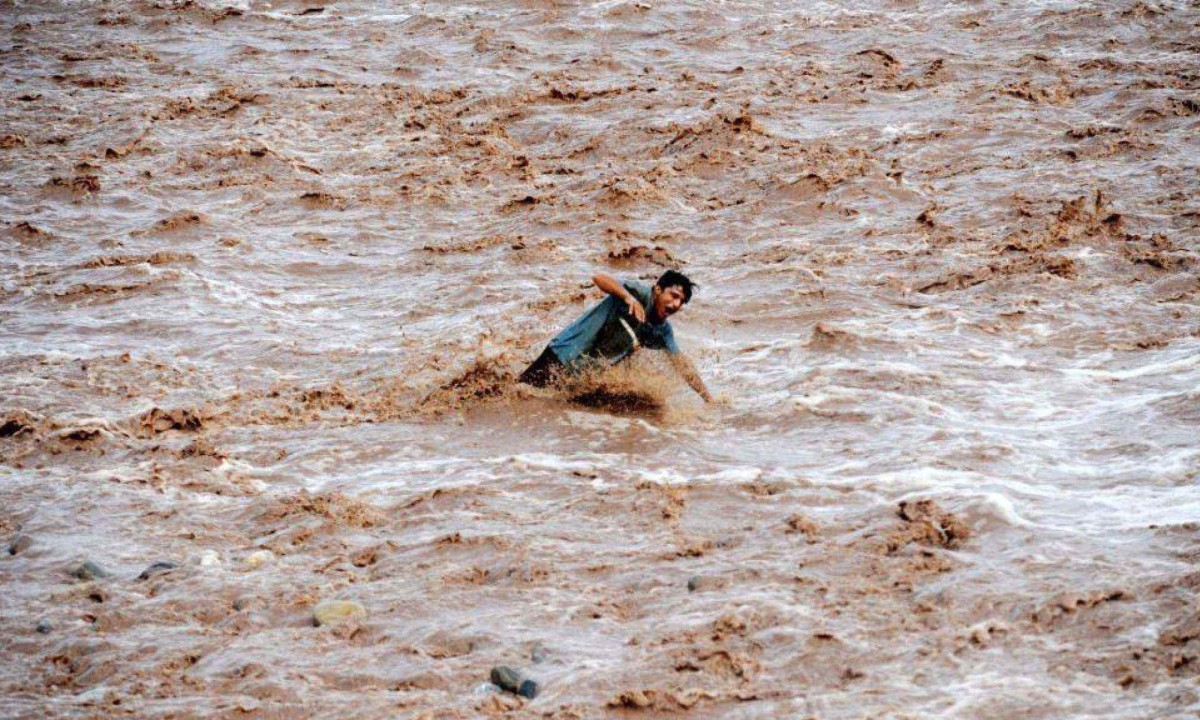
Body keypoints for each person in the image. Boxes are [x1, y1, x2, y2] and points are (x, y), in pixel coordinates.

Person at [519, 269, 714, 402]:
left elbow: (681, 365)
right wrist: (626, 296)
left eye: (682, 301)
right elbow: (599, 278)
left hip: (579, 378)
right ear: (658, 289)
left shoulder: (662, 331)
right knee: (520, 394)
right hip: (562, 354)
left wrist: (708, 399)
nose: (676, 305)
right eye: (673, 296)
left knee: (542, 406)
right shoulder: (640, 294)